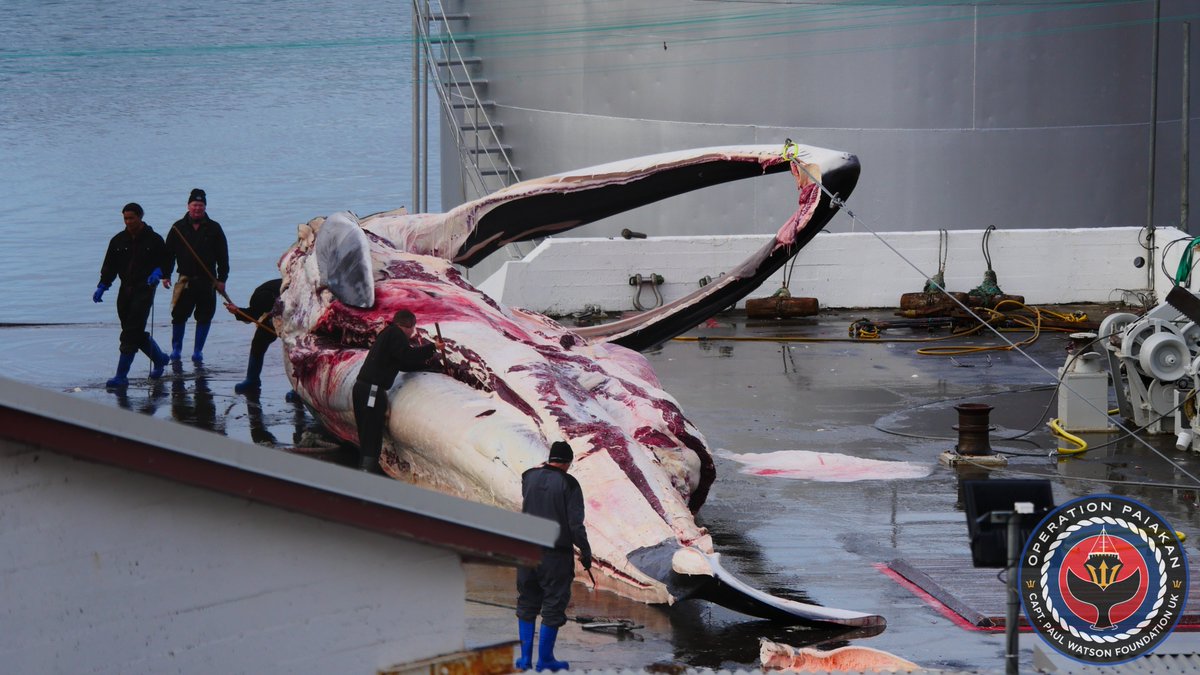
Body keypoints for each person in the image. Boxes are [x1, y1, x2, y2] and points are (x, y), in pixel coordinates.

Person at [515, 440, 592, 672]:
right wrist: (586, 552)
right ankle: (546, 660)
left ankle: (524, 660)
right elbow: (575, 525)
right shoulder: (569, 483)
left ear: (550, 459)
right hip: (554, 555)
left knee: (527, 603)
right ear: (568, 462)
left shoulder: (528, 476)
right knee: (552, 605)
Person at [351, 309, 443, 473]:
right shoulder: (396, 335)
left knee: (366, 434)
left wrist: (429, 368)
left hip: (362, 389)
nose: (412, 333)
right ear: (408, 325)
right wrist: (432, 348)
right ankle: (366, 474)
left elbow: (402, 363)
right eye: (413, 329)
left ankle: (364, 469)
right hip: (372, 391)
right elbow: (407, 356)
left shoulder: (387, 335)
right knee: (372, 434)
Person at [93, 202, 171, 388]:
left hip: (145, 289)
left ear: (140, 217)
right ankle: (160, 359)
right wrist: (103, 285)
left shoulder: (154, 240)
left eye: (131, 218)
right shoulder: (118, 240)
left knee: (130, 332)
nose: (128, 222)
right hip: (125, 290)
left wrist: (159, 273)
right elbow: (109, 265)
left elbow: (167, 262)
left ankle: (121, 376)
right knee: (132, 330)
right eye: (125, 218)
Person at [162, 188, 229, 365]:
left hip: (208, 282)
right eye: (194, 205)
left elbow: (223, 256)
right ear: (188, 206)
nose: (197, 208)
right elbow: (168, 254)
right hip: (185, 281)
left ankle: (197, 351)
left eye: (200, 205)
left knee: (205, 316)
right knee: (178, 316)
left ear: (205, 207)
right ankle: (176, 349)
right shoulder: (177, 228)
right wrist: (165, 275)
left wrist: (222, 279)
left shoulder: (214, 228)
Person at [224, 278, 282, 394]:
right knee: (258, 342)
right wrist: (237, 311)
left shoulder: (289, 291)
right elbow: (253, 315)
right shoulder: (259, 298)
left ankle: (299, 389)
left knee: (295, 349)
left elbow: (253, 314)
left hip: (293, 309)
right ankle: (252, 380)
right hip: (274, 308)